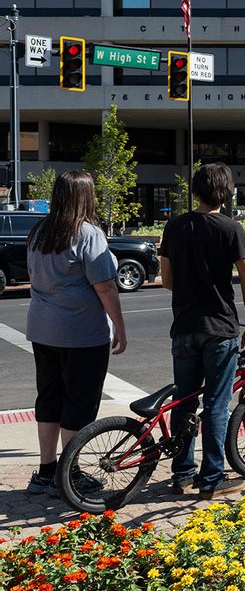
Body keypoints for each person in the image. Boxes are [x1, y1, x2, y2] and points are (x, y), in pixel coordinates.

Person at [158, 162, 245, 499]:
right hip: (220, 327)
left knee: (183, 400)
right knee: (216, 403)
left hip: (184, 325)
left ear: (195, 190)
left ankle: (181, 473)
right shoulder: (231, 229)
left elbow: (168, 281)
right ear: (227, 192)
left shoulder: (174, 227)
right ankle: (211, 478)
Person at [24, 171, 127, 497]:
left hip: (42, 329)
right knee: (78, 403)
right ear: (86, 196)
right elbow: (106, 286)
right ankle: (70, 474)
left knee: (49, 399)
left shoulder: (39, 232)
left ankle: (46, 471)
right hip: (81, 333)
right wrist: (120, 326)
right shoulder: (87, 234)